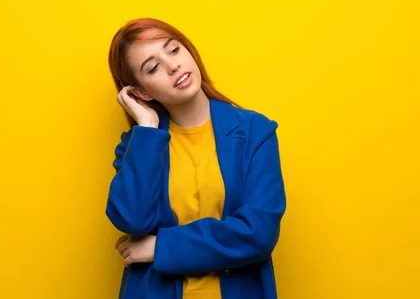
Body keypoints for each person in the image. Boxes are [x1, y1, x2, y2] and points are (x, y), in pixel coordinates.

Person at [105, 17, 287, 299]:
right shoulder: (137, 146)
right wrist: (147, 128)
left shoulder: (255, 132)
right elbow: (132, 220)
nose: (173, 65)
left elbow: (258, 233)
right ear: (140, 91)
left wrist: (159, 248)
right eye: (153, 67)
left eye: (174, 50)